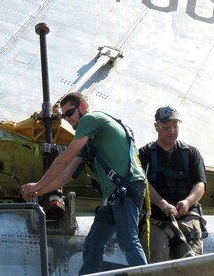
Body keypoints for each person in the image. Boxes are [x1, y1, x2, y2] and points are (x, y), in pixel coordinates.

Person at [20, 92, 147, 273]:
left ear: (83, 107)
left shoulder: (91, 119)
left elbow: (63, 160)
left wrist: (38, 185)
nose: (67, 119)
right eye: (64, 116)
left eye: (69, 113)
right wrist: (38, 192)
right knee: (93, 245)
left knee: (128, 240)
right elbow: (66, 175)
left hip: (126, 190)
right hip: (114, 195)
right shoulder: (89, 140)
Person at [138, 106, 207, 262]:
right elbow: (142, 183)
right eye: (167, 128)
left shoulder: (191, 153)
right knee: (156, 258)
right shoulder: (144, 155)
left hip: (188, 217)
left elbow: (200, 184)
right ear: (156, 126)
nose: (172, 131)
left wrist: (187, 202)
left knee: (192, 263)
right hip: (158, 220)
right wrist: (162, 204)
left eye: (175, 127)